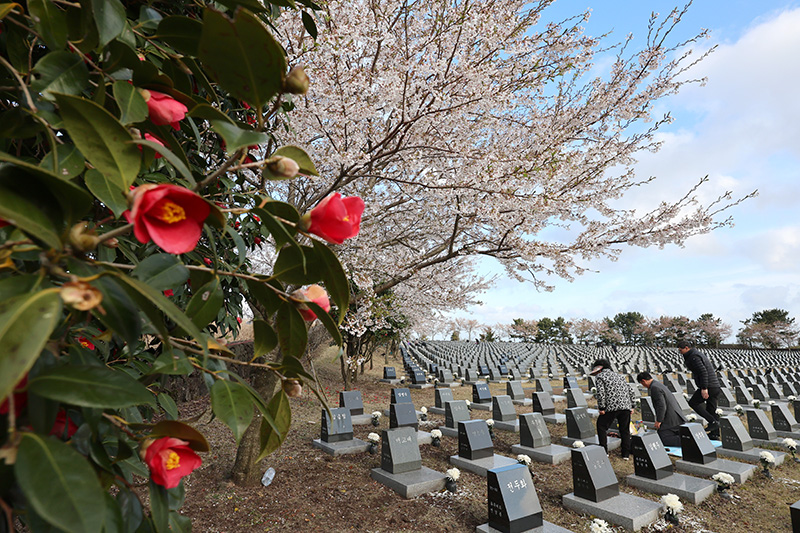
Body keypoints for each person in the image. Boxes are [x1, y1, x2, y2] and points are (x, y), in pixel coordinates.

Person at [591, 358, 635, 459]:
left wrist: (602, 407)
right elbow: (631, 391)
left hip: (612, 407)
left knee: (601, 426)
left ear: (599, 368)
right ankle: (625, 454)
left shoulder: (600, 377)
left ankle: (604, 450)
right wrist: (632, 406)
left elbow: (601, 393)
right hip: (625, 406)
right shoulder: (620, 376)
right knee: (625, 430)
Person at [678, 339, 721, 440]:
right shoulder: (695, 354)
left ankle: (713, 422)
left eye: (681, 350)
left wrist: (704, 388)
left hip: (709, 386)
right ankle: (715, 434)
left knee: (693, 403)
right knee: (711, 410)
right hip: (714, 386)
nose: (680, 352)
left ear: (687, 348)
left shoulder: (694, 357)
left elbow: (703, 372)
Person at [637, 371, 687, 447]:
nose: (643, 386)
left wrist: (659, 421)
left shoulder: (654, 388)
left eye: (642, 383)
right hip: (675, 418)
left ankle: (687, 442)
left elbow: (661, 406)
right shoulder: (658, 384)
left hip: (670, 420)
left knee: (662, 439)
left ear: (643, 381)